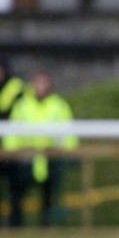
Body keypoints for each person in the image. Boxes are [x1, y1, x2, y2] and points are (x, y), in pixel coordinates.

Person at [2, 71, 79, 227]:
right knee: (17, 194)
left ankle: (47, 226)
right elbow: (13, 132)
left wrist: (70, 150)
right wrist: (11, 153)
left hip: (50, 157)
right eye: (38, 83)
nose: (40, 87)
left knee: (48, 196)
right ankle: (15, 227)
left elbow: (67, 131)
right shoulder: (22, 104)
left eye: (44, 83)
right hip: (25, 158)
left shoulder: (58, 104)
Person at [0, 57, 26, 227]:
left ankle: (15, 224)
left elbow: (15, 113)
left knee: (15, 190)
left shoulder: (15, 86)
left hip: (13, 147)